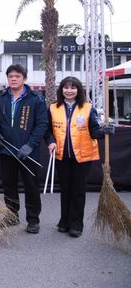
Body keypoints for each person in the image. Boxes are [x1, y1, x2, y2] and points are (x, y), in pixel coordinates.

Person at [45, 76, 114, 237]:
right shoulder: (53, 108)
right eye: (66, 87)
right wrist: (50, 141)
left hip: (83, 157)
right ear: (61, 90)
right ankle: (64, 221)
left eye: (73, 87)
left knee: (78, 190)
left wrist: (105, 131)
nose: (69, 90)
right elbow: (47, 130)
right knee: (65, 189)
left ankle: (76, 225)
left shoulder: (88, 108)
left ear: (79, 90)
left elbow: (94, 132)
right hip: (62, 155)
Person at [0, 64, 48, 234]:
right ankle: (11, 215)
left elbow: (42, 124)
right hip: (6, 151)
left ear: (24, 78)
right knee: (9, 184)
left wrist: (30, 144)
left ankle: (33, 219)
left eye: (17, 76)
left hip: (28, 152)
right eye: (11, 76)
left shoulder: (36, 99)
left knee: (31, 186)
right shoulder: (1, 99)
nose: (14, 79)